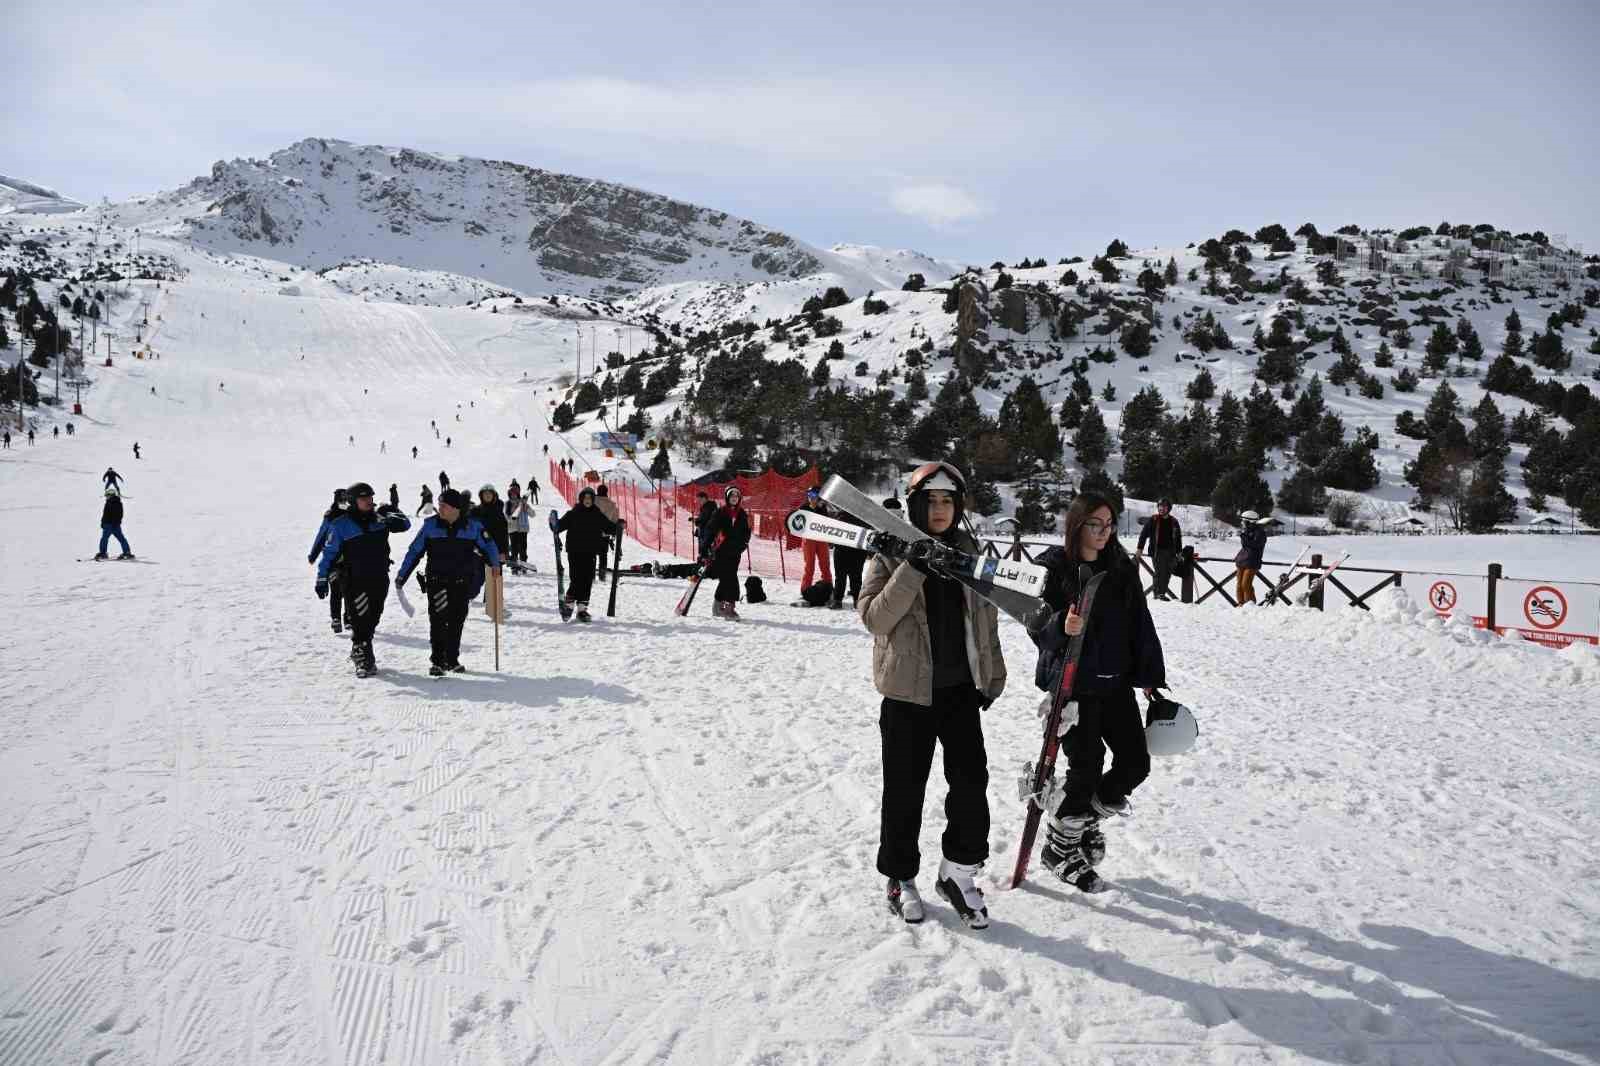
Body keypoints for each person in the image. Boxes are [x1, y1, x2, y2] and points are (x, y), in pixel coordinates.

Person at [858, 462, 1006, 928]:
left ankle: (958, 872)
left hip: (961, 691)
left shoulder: (969, 553)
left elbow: (985, 621)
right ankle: (899, 877)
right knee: (904, 791)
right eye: (932, 501)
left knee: (970, 785)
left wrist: (993, 675)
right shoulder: (887, 553)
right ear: (915, 504)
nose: (940, 510)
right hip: (907, 695)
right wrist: (912, 568)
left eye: (948, 501)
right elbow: (874, 619)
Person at [1028, 491, 1166, 893]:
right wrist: (1059, 627)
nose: (1104, 533)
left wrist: (1149, 676)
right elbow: (1035, 623)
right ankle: (1061, 848)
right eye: (1095, 524)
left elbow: (1140, 623)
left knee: (1135, 763)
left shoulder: (1121, 568)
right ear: (1076, 525)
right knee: (1085, 768)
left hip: (1116, 683)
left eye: (1109, 525)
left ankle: (1074, 827)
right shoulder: (1053, 568)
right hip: (1073, 687)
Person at [396, 489, 502, 676]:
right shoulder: (431, 526)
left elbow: (489, 545)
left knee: (456, 620)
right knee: (438, 620)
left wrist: (495, 565)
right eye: (440, 505)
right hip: (437, 580)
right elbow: (415, 551)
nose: (440, 508)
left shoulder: (472, 527)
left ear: (455, 508)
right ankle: (437, 661)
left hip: (462, 581)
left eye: (444, 505)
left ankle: (452, 659)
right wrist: (402, 576)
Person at [316, 483, 412, 677]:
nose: (369, 501)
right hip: (353, 579)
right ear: (353, 501)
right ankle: (363, 656)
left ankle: (361, 645)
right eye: (364, 498)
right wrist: (322, 577)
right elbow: (329, 553)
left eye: (370, 497)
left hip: (379, 576)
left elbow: (405, 524)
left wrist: (392, 516)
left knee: (374, 614)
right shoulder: (340, 525)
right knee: (360, 617)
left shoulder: (380, 517)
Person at [556, 486, 621, 622]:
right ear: (581, 499)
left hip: (590, 551)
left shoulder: (596, 514)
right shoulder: (574, 513)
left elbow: (609, 526)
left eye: (590, 498)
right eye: (585, 498)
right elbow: (559, 526)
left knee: (587, 580)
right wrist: (554, 524)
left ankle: (582, 609)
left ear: (592, 500)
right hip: (575, 551)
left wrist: (619, 526)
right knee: (577, 578)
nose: (587, 500)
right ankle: (568, 605)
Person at [701, 486, 752, 619]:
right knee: (730, 578)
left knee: (726, 578)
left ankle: (717, 607)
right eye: (732, 497)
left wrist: (744, 544)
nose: (734, 499)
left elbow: (746, 532)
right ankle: (729, 607)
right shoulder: (721, 512)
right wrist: (705, 547)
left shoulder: (742, 514)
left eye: (736, 497)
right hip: (721, 550)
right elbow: (710, 529)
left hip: (735, 552)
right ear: (727, 498)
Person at [309, 488, 352, 633]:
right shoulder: (331, 516)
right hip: (334, 558)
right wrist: (313, 554)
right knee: (337, 589)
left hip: (349, 558)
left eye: (345, 499)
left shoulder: (351, 513)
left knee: (348, 589)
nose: (344, 502)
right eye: (341, 499)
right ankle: (337, 619)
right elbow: (322, 535)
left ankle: (347, 618)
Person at [1136, 498, 1183, 601]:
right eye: (1160, 506)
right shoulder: (1153, 520)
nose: (1161, 508)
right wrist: (1140, 549)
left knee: (1167, 573)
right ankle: (1158, 594)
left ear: (1168, 508)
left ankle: (1162, 593)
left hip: (1171, 552)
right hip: (1157, 551)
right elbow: (1143, 535)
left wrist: (1179, 552)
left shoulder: (1174, 521)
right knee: (1159, 572)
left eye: (1164, 506)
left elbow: (1178, 538)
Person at [796, 488, 833, 597]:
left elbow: (826, 522)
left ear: (818, 497)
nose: (811, 497)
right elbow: (797, 523)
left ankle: (828, 586)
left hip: (821, 538)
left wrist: (819, 507)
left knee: (825, 563)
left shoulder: (822, 508)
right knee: (809, 565)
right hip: (809, 539)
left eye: (814, 495)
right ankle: (805, 589)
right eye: (809, 494)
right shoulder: (803, 508)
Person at [830, 506, 869, 609]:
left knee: (852, 576)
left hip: (854, 550)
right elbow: (831, 531)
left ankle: (851, 600)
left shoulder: (861, 515)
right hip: (844, 549)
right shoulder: (842, 515)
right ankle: (840, 600)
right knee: (844, 576)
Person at [1235, 510, 1271, 606]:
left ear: (1249, 521)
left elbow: (1255, 545)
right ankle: (1241, 604)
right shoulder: (1247, 531)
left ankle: (1250, 606)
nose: (1242, 523)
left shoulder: (1260, 532)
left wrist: (1243, 536)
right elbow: (1245, 545)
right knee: (1239, 585)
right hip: (1242, 560)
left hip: (1252, 562)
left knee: (1245, 584)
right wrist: (1244, 535)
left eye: (1243, 521)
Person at [94, 487, 135, 560]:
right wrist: (103, 522)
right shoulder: (112, 502)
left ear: (111, 495)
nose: (106, 497)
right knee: (120, 538)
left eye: (107, 495)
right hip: (111, 524)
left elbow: (118, 514)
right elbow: (106, 514)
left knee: (105, 539)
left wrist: (112, 523)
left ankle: (103, 553)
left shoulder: (114, 502)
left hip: (110, 524)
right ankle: (127, 552)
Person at [594, 484, 620, 578]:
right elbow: (615, 519)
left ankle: (591, 574)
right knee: (603, 554)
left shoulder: (592, 502)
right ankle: (602, 575)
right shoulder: (612, 505)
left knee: (591, 554)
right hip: (605, 533)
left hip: (592, 532)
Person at [506, 484, 531, 567]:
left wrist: (526, 507)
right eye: (512, 494)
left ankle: (523, 564)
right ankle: (514, 566)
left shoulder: (522, 503)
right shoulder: (508, 504)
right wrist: (511, 517)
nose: (513, 495)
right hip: (512, 529)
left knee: (523, 548)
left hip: (523, 529)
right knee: (514, 549)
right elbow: (505, 516)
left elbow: (533, 514)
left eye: (515, 493)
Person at [693, 491, 717, 558]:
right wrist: (696, 520)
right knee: (703, 548)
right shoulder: (704, 507)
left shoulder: (710, 506)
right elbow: (702, 518)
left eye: (699, 500)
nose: (698, 502)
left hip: (708, 532)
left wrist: (697, 521)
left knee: (705, 548)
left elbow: (705, 519)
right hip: (704, 531)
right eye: (697, 500)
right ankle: (703, 559)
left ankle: (705, 560)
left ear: (704, 498)